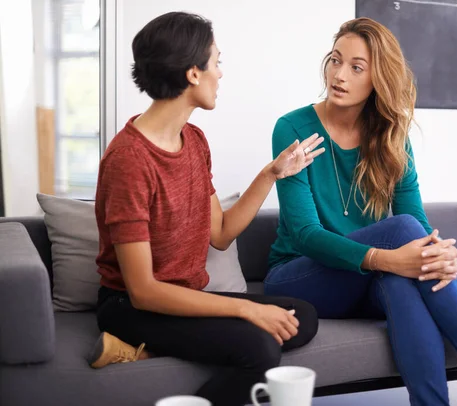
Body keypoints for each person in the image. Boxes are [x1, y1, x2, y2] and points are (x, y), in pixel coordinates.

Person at [264, 17, 457, 406]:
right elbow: (305, 234)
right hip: (301, 277)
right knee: (399, 234)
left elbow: (416, 221)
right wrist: (388, 257)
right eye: (335, 60)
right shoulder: (293, 128)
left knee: (400, 280)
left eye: (356, 67)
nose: (339, 74)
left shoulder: (390, 136)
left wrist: (440, 253)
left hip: (368, 277)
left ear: (377, 79)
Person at [86, 12, 323, 406]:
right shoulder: (129, 159)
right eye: (217, 61)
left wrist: (271, 174)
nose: (221, 74)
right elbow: (143, 290)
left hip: (185, 298)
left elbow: (221, 233)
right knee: (261, 349)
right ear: (193, 73)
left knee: (302, 317)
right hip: (131, 307)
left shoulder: (193, 141)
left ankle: (140, 349)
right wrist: (244, 311)